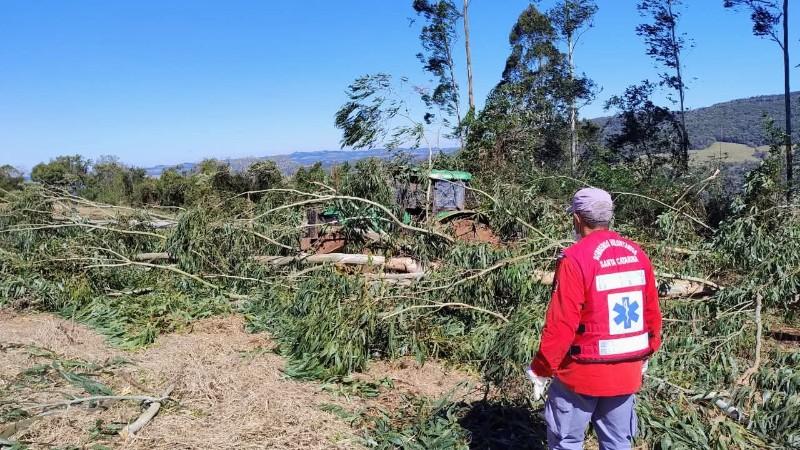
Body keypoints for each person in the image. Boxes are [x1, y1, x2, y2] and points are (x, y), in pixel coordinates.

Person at [527, 187, 662, 450]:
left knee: (567, 442)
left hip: (580, 374)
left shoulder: (575, 259)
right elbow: (652, 313)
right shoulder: (637, 254)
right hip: (626, 371)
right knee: (617, 444)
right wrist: (647, 352)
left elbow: (562, 324)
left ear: (577, 218)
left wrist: (541, 369)